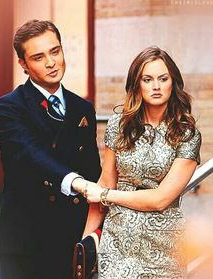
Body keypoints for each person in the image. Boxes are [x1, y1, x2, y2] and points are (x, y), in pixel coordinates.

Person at [77, 46, 202, 278]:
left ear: (173, 83)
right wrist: (85, 244)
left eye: (163, 79)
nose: (156, 86)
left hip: (165, 243)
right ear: (137, 84)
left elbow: (160, 199)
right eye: (148, 79)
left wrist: (105, 195)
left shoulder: (187, 134)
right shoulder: (119, 125)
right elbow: (105, 182)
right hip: (118, 240)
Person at [0, 19, 101, 279]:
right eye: (39, 57)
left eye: (55, 51)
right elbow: (30, 154)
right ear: (24, 65)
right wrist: (76, 182)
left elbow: (93, 168)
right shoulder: (8, 107)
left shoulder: (82, 107)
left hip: (73, 236)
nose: (51, 62)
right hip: (26, 241)